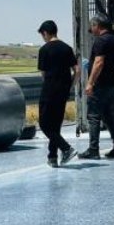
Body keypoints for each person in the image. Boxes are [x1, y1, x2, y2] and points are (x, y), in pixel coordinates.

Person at [79, 15, 114, 159]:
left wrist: (90, 83)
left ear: (98, 26)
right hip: (111, 83)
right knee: (108, 116)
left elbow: (99, 62)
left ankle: (93, 150)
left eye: (92, 26)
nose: (91, 29)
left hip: (100, 85)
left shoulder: (100, 41)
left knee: (93, 116)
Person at [36, 20, 78, 167]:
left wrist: (49, 83)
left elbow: (43, 73)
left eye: (42, 34)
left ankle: (66, 148)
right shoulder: (67, 48)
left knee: (45, 124)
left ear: (45, 33)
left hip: (49, 90)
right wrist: (70, 85)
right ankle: (52, 157)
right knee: (55, 124)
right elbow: (77, 70)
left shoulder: (44, 49)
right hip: (63, 91)